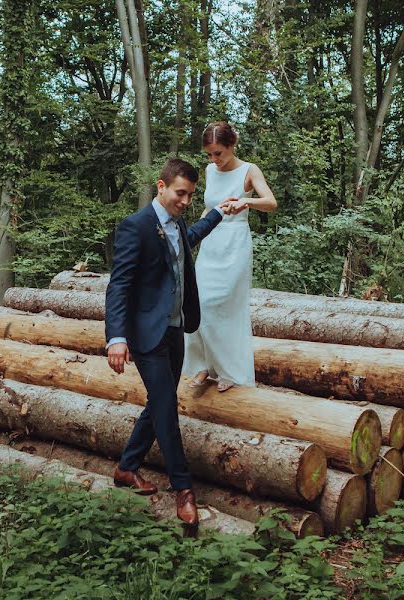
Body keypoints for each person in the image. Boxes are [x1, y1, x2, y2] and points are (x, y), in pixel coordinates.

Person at [104, 158, 231, 527]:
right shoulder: (135, 227)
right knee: (166, 407)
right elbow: (120, 286)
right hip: (146, 335)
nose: (186, 201)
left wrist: (218, 214)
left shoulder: (177, 224)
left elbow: (186, 242)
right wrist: (116, 337)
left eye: (191, 195)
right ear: (161, 187)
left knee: (158, 404)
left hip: (176, 330)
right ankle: (183, 489)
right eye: (180, 193)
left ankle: (127, 468)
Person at [184, 122, 277, 392]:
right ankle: (202, 366)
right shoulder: (210, 171)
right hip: (210, 242)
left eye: (218, 154)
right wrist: (192, 238)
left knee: (222, 305)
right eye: (209, 155)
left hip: (235, 243)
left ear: (231, 146)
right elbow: (207, 209)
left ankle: (228, 369)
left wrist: (245, 202)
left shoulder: (249, 170)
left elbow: (271, 202)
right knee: (196, 302)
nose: (214, 160)